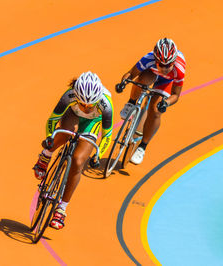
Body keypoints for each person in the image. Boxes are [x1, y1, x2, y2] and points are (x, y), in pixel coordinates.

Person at [33, 71, 114, 230]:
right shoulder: (69, 95)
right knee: (63, 134)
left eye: (90, 105)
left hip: (93, 123)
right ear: (76, 95)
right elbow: (53, 120)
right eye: (82, 103)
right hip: (72, 115)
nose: (86, 108)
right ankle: (45, 156)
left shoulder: (106, 106)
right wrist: (50, 138)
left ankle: (62, 208)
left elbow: (107, 135)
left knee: (78, 162)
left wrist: (98, 155)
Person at [116, 38, 186, 164]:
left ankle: (142, 147)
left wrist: (166, 103)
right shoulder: (148, 59)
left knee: (155, 110)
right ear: (155, 60)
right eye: (162, 65)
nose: (165, 68)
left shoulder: (179, 69)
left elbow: (176, 94)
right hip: (151, 73)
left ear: (174, 62)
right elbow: (130, 74)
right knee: (141, 80)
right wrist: (123, 83)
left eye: (168, 65)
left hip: (167, 82)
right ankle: (131, 103)